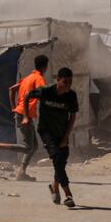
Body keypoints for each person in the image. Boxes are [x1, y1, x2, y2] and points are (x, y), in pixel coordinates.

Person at [25, 67, 79, 208]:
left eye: (70, 82)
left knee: (61, 159)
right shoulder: (46, 91)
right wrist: (26, 116)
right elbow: (27, 95)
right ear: (58, 80)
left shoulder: (71, 95)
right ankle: (68, 194)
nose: (68, 85)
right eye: (65, 82)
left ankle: (54, 187)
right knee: (57, 158)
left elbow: (73, 116)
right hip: (46, 131)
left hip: (61, 131)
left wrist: (66, 137)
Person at [0, 54, 48, 181]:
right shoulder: (38, 78)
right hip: (24, 115)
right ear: (45, 67)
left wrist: (13, 107)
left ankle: (21, 173)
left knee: (34, 146)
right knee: (28, 147)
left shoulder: (27, 78)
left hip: (22, 114)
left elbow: (11, 89)